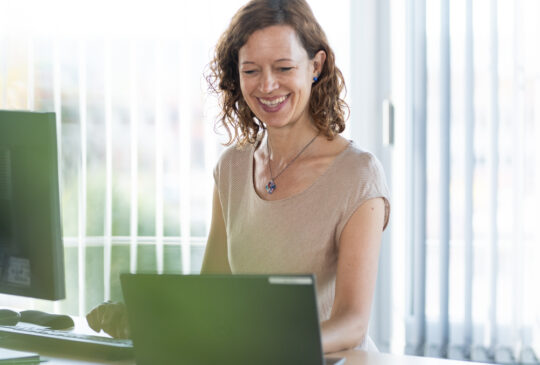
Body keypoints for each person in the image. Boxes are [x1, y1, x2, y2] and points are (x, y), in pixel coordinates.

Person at [87, 0, 390, 354]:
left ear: (315, 66)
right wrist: (145, 319)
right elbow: (213, 294)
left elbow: (352, 324)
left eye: (283, 67)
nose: (268, 85)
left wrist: (268, 344)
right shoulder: (232, 167)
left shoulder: (358, 174)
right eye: (251, 71)